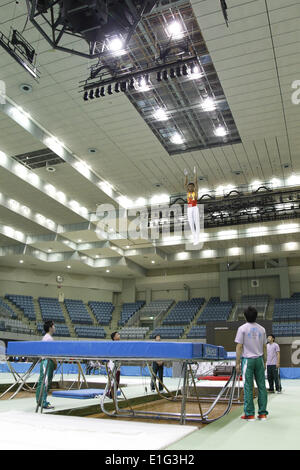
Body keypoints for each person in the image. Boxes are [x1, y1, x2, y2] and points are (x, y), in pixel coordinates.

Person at [235, 306, 268, 421]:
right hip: (259, 360)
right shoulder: (262, 329)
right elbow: (264, 346)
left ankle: (249, 414)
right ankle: (263, 413)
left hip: (248, 361)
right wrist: (265, 361)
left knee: (248, 387)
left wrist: (237, 363)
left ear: (244, 316)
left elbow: (239, 346)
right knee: (262, 387)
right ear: (256, 316)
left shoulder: (242, 329)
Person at [35, 320, 57, 410]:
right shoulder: (48, 338)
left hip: (47, 362)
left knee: (43, 382)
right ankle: (43, 402)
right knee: (45, 382)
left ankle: (40, 401)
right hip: (47, 362)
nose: (55, 327)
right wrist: (55, 362)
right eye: (54, 326)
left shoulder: (46, 337)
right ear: (50, 327)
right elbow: (50, 353)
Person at [184, 167, 200, 245]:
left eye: (191, 186)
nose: (190, 187)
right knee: (191, 223)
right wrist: (186, 176)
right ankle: (195, 239)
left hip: (195, 207)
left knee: (196, 223)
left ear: (193, 187)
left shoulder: (195, 191)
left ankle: (197, 238)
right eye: (189, 186)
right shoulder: (187, 192)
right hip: (189, 208)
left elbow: (196, 182)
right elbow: (185, 184)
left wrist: (195, 173)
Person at [107, 331, 121, 399]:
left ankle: (112, 394)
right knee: (114, 379)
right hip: (113, 363)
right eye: (118, 335)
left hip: (117, 363)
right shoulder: (112, 345)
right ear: (114, 337)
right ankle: (110, 393)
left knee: (117, 380)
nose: (119, 335)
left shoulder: (119, 344)